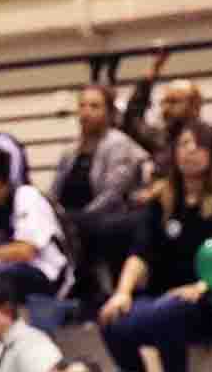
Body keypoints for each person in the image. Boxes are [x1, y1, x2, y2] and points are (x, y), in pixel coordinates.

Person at [98, 121, 212, 372]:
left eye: (198, 146)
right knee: (111, 320)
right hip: (164, 295)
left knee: (169, 313)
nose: (190, 151)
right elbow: (141, 251)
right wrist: (122, 292)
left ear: (211, 154)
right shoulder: (162, 200)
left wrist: (204, 285)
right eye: (184, 144)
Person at [51, 84, 150, 307]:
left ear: (109, 112)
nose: (86, 112)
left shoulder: (118, 144)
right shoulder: (70, 151)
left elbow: (112, 194)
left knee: (82, 227)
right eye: (83, 106)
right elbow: (55, 191)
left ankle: (91, 294)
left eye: (94, 106)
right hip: (72, 217)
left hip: (109, 216)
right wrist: (52, 214)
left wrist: (75, 220)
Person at [0, 145, 74, 303]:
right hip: (7, 267)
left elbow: (25, 252)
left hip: (48, 273)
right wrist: (1, 253)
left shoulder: (27, 196)